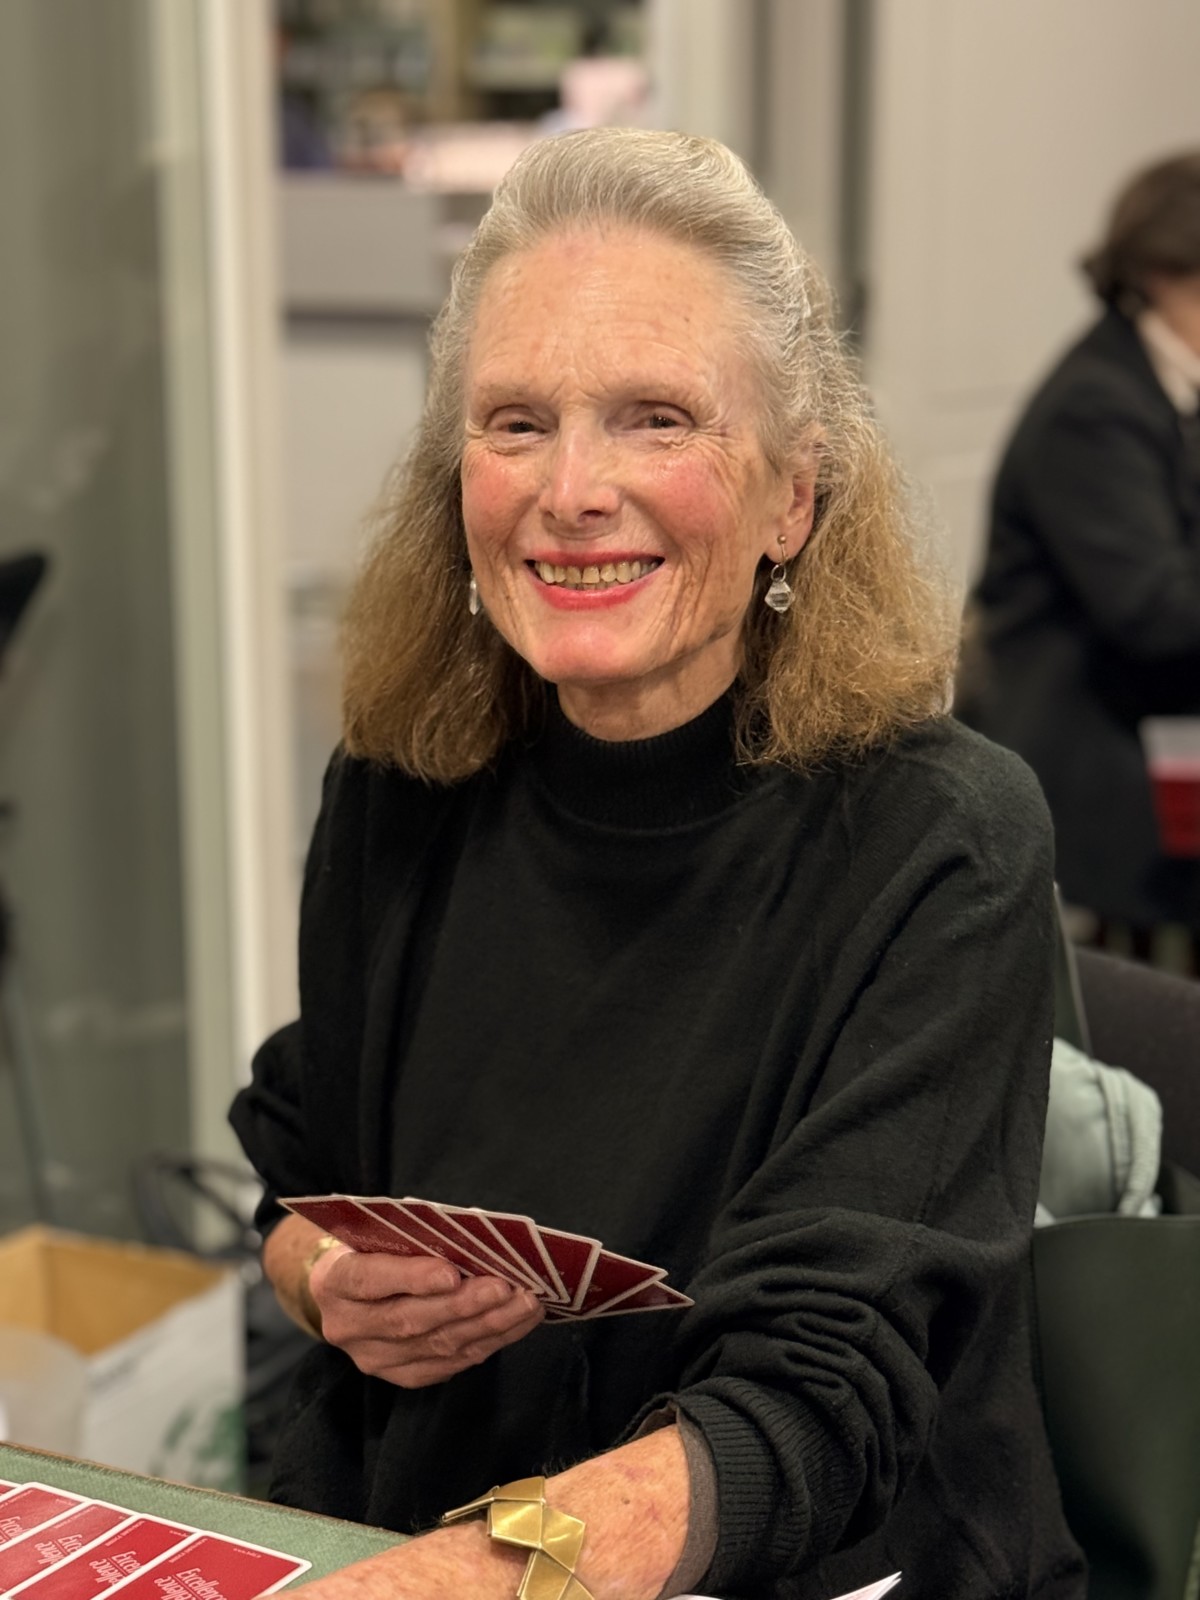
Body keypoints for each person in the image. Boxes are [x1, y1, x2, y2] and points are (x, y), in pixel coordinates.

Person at [231, 128, 1084, 1600]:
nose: (573, 489)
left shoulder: (945, 837)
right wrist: (332, 1285)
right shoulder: (399, 784)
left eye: (657, 420)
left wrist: (470, 1579)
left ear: (792, 499)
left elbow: (813, 1406)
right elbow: (302, 1180)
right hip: (420, 1525)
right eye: (516, 422)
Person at [958, 151, 1200, 958]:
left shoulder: (1161, 382)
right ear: (1163, 274)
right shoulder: (1097, 403)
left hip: (1140, 711)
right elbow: (1158, 613)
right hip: (1080, 741)